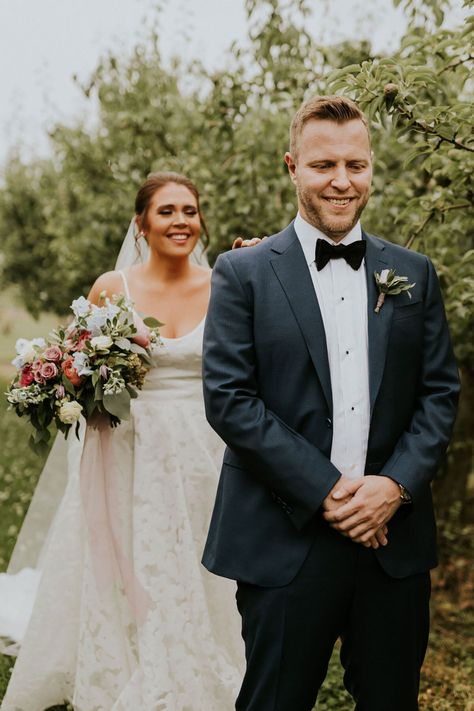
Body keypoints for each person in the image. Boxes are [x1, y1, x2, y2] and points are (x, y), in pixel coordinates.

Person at [202, 96, 460, 711]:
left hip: (390, 541)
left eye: (356, 164)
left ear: (372, 169)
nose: (342, 181)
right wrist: (329, 491)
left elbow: (439, 393)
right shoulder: (242, 273)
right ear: (292, 166)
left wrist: (394, 488)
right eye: (323, 165)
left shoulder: (414, 274)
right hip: (283, 536)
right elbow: (230, 399)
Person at [0, 171, 244, 710]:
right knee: (132, 548)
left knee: (201, 555)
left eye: (190, 210)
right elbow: (74, 364)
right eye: (167, 211)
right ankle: (129, 660)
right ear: (142, 223)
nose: (181, 221)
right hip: (129, 444)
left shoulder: (226, 282)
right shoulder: (114, 287)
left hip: (205, 445)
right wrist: (73, 390)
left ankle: (207, 650)